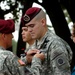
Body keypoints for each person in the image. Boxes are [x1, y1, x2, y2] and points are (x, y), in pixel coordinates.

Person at [22, 7, 73, 75]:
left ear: (43, 22)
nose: (29, 30)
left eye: (32, 26)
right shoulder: (34, 45)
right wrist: (26, 59)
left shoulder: (55, 45)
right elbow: (16, 67)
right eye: (27, 26)